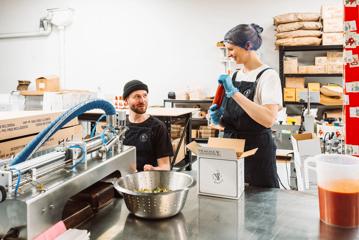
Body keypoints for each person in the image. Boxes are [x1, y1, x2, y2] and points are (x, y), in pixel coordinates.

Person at [209, 23, 282, 188]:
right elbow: (233, 122)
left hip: (256, 152)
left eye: (231, 49)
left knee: (260, 206)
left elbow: (268, 119)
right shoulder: (234, 75)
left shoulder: (268, 76)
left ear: (248, 46)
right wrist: (218, 120)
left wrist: (235, 93)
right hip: (230, 148)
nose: (229, 55)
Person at [122, 80, 173, 171]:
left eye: (145, 95)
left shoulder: (158, 127)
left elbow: (166, 167)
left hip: (148, 180)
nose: (142, 100)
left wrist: (153, 169)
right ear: (126, 100)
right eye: (137, 96)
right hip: (124, 178)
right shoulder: (120, 127)